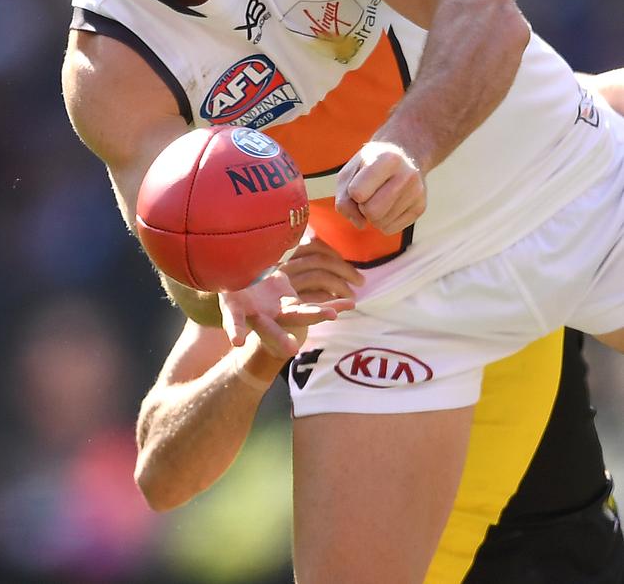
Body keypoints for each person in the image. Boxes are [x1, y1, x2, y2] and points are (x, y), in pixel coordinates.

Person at [8, 0, 624, 582]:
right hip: (389, 301)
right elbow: (178, 251)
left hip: (566, 181)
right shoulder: (107, 63)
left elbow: (482, 8)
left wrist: (410, 143)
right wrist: (240, 279)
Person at [134, 234, 624, 583]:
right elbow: (160, 476)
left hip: (566, 556)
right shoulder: (275, 226)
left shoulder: (522, 157)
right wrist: (260, 352)